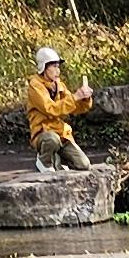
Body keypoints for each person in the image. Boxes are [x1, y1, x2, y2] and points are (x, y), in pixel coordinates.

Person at [28, 45, 91, 173]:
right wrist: (74, 97)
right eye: (54, 66)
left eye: (58, 66)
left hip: (61, 134)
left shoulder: (59, 85)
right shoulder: (35, 86)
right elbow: (50, 109)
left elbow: (75, 108)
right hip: (44, 133)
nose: (58, 71)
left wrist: (84, 98)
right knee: (52, 140)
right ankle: (44, 160)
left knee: (84, 164)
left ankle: (58, 160)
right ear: (44, 67)